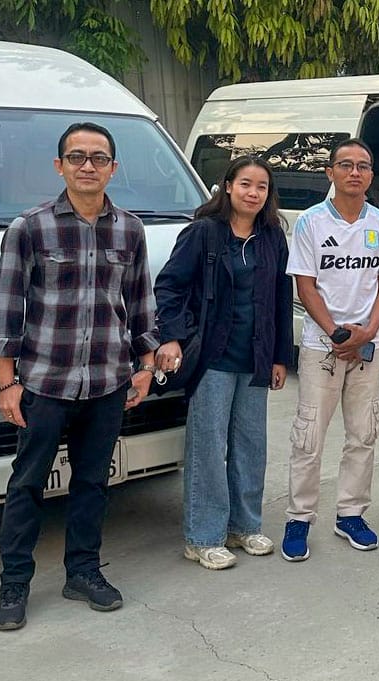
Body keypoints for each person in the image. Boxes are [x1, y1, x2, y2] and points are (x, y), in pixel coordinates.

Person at [0, 122, 158, 630]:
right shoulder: (30, 228)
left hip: (107, 382)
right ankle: (14, 582)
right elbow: (6, 308)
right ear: (59, 165)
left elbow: (141, 306)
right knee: (27, 485)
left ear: (113, 168)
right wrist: (6, 381)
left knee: (91, 483)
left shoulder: (130, 229)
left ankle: (82, 571)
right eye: (77, 157)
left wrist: (145, 367)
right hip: (44, 383)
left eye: (99, 158)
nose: (88, 166)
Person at [153, 156, 293, 570]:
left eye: (262, 187)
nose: (253, 193)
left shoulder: (271, 237)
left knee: (252, 446)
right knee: (209, 448)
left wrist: (281, 356)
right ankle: (203, 537)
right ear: (227, 186)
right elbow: (170, 286)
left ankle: (244, 526)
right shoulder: (203, 234)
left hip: (256, 356)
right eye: (246, 183)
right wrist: (173, 337)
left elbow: (281, 300)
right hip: (213, 357)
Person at [282, 138, 379, 561]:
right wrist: (336, 333)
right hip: (322, 346)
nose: (355, 172)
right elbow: (305, 284)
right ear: (330, 172)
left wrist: (367, 333)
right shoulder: (311, 223)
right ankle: (299, 517)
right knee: (309, 434)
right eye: (345, 165)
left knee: (363, 433)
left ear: (371, 174)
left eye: (363, 166)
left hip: (368, 344)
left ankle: (351, 513)